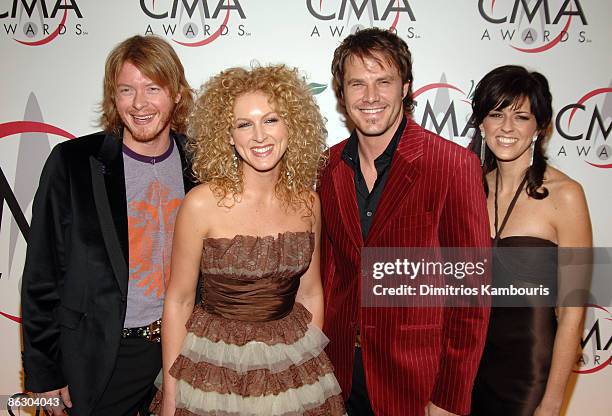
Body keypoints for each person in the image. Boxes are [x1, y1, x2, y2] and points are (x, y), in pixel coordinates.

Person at [152, 65, 346, 416]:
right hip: (213, 368)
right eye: (244, 124)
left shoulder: (308, 203)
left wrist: (302, 369)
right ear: (227, 135)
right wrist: (171, 392)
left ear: (292, 126)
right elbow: (179, 302)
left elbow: (311, 293)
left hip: (288, 366)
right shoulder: (201, 204)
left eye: (271, 120)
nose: (259, 136)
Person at [318, 27, 491, 416]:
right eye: (357, 84)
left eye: (384, 82)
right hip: (338, 376)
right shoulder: (326, 168)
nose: (371, 96)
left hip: (417, 380)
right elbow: (329, 274)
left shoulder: (452, 165)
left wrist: (448, 397)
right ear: (342, 94)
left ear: (405, 87)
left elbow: (471, 294)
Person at [20, 35, 195, 415]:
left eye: (153, 88)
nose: (139, 103)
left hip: (182, 350)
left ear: (177, 94)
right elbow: (42, 273)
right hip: (102, 356)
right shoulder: (73, 162)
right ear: (113, 98)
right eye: (126, 90)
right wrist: (45, 375)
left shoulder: (197, 165)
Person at [468, 65, 591, 416]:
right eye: (496, 114)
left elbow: (572, 312)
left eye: (521, 117)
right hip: (469, 371)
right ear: (482, 123)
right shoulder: (470, 190)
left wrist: (552, 402)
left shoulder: (566, 195)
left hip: (528, 375)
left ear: (539, 127)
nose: (507, 128)